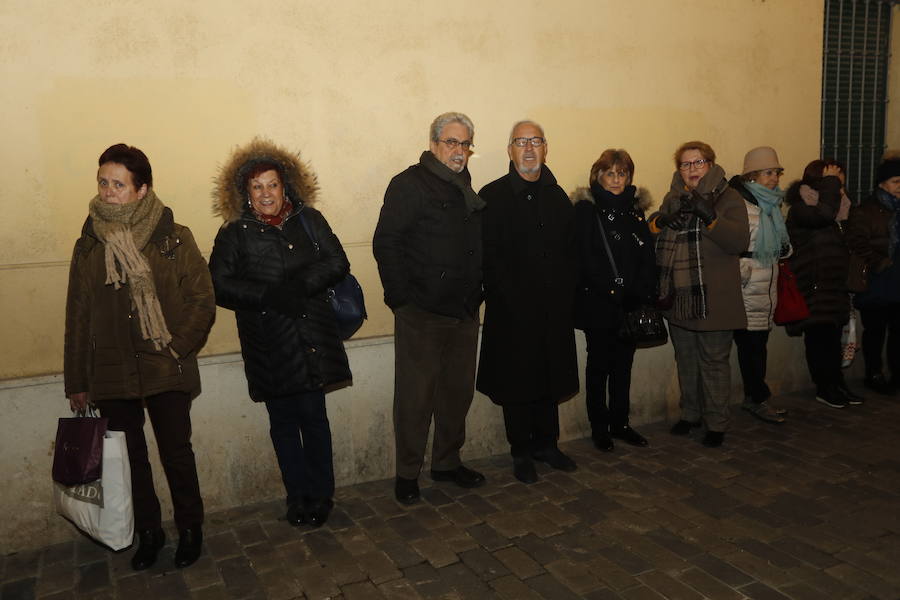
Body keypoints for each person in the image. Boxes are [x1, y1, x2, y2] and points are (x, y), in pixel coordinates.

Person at [64, 143, 215, 570]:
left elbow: (202, 298)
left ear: (142, 189)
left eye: (118, 184)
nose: (108, 192)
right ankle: (149, 532)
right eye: (103, 182)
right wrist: (77, 379)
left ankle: (190, 528)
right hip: (111, 369)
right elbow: (77, 313)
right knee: (132, 459)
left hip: (164, 363)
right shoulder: (89, 244)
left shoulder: (173, 237)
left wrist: (177, 345)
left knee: (176, 454)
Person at [209, 138, 351, 527]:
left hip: (312, 340)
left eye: (272, 184)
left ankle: (321, 495)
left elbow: (338, 261)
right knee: (284, 425)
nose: (266, 193)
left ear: (285, 186)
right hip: (269, 345)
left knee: (315, 420)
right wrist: (269, 294)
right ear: (246, 192)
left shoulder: (310, 220)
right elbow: (218, 285)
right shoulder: (234, 233)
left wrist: (301, 286)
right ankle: (297, 497)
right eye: (257, 186)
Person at [373, 112, 486, 504]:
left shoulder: (466, 186)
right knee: (415, 397)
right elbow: (386, 243)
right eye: (452, 142)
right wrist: (402, 300)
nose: (459, 151)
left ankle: (446, 462)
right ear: (434, 144)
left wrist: (479, 289)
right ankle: (407, 473)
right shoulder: (409, 184)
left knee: (457, 394)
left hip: (464, 310)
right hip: (422, 312)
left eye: (465, 143)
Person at [476, 120, 579, 483]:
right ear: (510, 150)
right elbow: (484, 256)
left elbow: (570, 250)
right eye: (521, 142)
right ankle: (521, 450)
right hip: (512, 312)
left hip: (552, 310)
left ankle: (547, 444)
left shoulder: (557, 196)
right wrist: (505, 292)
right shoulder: (492, 195)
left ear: (545, 147)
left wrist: (565, 291)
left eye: (536, 141)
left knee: (550, 377)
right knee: (517, 382)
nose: (529, 149)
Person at [650, 141, 749, 448]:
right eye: (685, 164)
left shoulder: (729, 197)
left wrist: (710, 218)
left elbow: (738, 241)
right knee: (687, 358)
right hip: (679, 294)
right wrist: (661, 221)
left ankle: (717, 422)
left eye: (698, 163)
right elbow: (652, 231)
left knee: (714, 362)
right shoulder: (672, 197)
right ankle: (690, 414)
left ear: (710, 164)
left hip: (714, 298)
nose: (691, 169)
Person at [571, 149, 655, 452]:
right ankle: (600, 427)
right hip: (598, 304)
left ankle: (621, 423)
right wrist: (610, 291)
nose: (617, 179)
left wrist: (641, 292)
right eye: (610, 173)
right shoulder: (586, 210)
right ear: (598, 176)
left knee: (624, 366)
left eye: (622, 173)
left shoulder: (635, 211)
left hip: (630, 304)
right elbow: (584, 258)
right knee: (599, 367)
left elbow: (645, 254)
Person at [784, 159, 861, 408]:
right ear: (821, 180)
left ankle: (837, 384)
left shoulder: (839, 207)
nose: (841, 182)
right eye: (835, 177)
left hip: (834, 286)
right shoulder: (801, 207)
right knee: (819, 341)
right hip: (814, 285)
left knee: (833, 340)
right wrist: (831, 185)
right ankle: (824, 387)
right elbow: (822, 216)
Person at [728, 147, 792, 423]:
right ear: (752, 176)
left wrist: (784, 248)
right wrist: (746, 270)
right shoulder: (740, 206)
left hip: (767, 287)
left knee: (758, 347)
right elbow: (735, 246)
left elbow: (784, 248)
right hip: (748, 286)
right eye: (768, 172)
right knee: (751, 348)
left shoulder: (772, 205)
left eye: (776, 172)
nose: (774, 178)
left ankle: (754, 397)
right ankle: (758, 398)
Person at [845, 157, 900, 394]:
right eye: (896, 181)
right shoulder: (865, 210)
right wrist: (881, 262)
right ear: (882, 184)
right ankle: (873, 373)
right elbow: (857, 242)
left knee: (898, 332)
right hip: (878, 280)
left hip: (898, 279)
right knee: (875, 331)